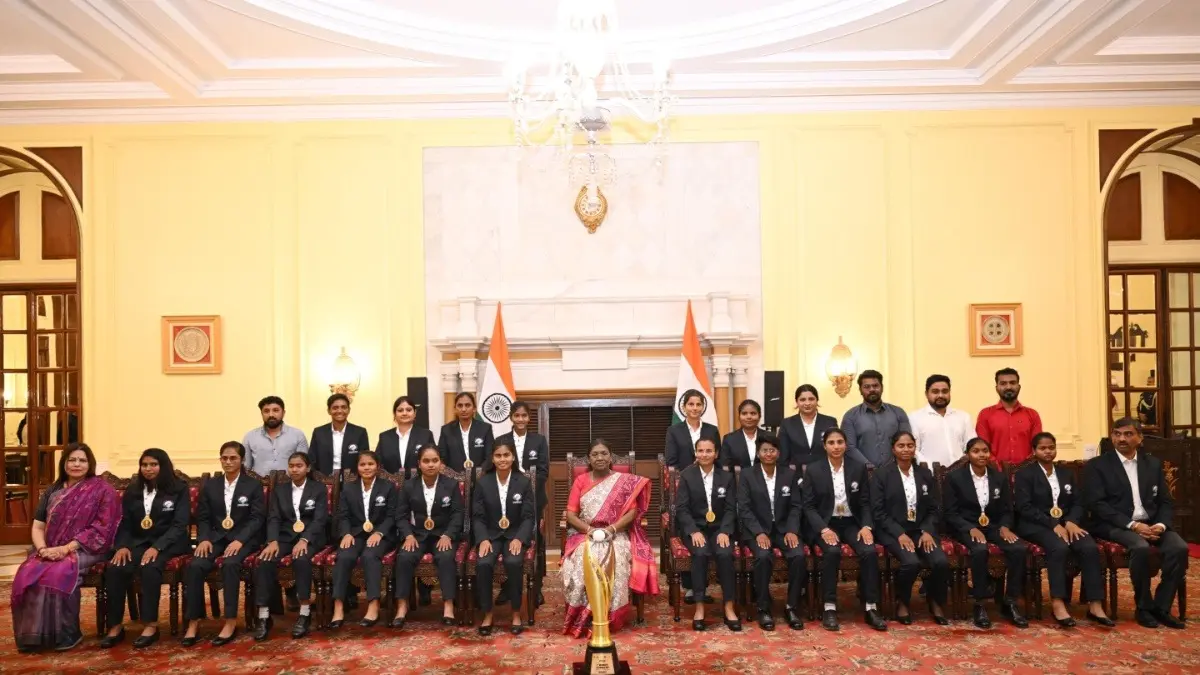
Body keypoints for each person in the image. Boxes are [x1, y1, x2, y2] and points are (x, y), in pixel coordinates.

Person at [12, 443, 120, 653]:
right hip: (51, 548)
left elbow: (102, 528)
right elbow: (38, 526)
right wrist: (43, 550)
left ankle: (67, 634)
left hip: (89, 548)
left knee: (60, 570)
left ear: (90, 464)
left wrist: (66, 548)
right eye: (72, 460)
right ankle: (36, 636)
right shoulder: (52, 490)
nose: (77, 464)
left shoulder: (103, 490)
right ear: (64, 463)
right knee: (28, 572)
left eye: (82, 460)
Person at [1084, 417, 1188, 629]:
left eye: (1128, 434)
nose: (1122, 439)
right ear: (1112, 436)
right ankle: (1143, 606)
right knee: (1139, 548)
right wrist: (1133, 526)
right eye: (1117, 434)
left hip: (1151, 523)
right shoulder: (1098, 465)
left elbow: (1165, 501)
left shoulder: (1152, 464)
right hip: (1115, 524)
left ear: (1140, 438)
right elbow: (1097, 504)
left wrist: (1160, 525)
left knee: (1179, 548)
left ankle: (1162, 607)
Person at [562, 439, 658, 638]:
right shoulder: (581, 481)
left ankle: (610, 615)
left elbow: (632, 513)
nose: (599, 457)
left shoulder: (623, 481)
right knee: (582, 560)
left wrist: (611, 529)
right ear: (589, 458)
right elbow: (571, 515)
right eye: (595, 454)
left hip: (616, 533)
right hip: (585, 534)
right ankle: (585, 615)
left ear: (611, 456)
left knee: (617, 559)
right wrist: (589, 530)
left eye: (604, 453)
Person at [1014, 432, 1110, 628]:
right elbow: (1024, 507)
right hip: (1036, 525)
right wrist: (1053, 524)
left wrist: (1072, 521)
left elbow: (1078, 502)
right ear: (1034, 451)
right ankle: (1058, 602)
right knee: (1059, 547)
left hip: (1067, 524)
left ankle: (1095, 603)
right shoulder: (1025, 475)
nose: (1048, 452)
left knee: (1089, 547)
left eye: (1051, 447)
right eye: (1043, 448)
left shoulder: (1067, 473)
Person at [100, 448, 190, 649]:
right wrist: (122, 546)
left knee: (150, 567)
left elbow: (179, 524)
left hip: (170, 543)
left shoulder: (179, 488)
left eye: (153, 465)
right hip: (139, 543)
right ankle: (115, 626)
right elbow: (124, 522)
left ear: (163, 466)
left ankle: (150, 625)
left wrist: (158, 547)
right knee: (115, 568)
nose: (148, 469)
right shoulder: (133, 490)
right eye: (144, 465)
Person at [801, 428, 886, 632]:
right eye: (831, 442)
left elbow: (865, 502)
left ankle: (870, 606)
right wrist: (823, 529)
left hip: (851, 522)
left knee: (869, 550)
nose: (836, 446)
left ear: (846, 444)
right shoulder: (813, 470)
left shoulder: (858, 468)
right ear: (825, 446)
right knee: (832, 551)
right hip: (826, 523)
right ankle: (829, 607)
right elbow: (808, 506)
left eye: (840, 442)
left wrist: (866, 526)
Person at [181, 441, 266, 646]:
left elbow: (256, 518)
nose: (228, 462)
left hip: (243, 539)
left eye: (233, 458)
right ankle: (194, 621)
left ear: (241, 460)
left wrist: (240, 540)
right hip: (215, 537)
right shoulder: (211, 485)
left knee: (230, 564)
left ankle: (230, 621)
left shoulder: (252, 485)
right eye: (224, 458)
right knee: (195, 566)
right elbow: (203, 517)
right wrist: (203, 539)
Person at [943, 437, 1028, 629]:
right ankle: (979, 603)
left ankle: (1010, 601)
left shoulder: (999, 477)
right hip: (966, 526)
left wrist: (1005, 527)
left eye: (985, 451)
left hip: (994, 526)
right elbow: (950, 513)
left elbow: (1007, 509)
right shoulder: (955, 478)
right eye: (976, 451)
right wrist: (970, 528)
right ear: (967, 454)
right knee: (979, 550)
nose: (981, 455)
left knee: (1018, 549)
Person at [870, 431, 949, 625]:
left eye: (910, 446)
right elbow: (878, 512)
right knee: (910, 562)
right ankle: (902, 601)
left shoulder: (925, 474)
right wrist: (899, 534)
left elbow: (934, 507)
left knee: (940, 561)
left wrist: (927, 530)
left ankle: (934, 599)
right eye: (901, 446)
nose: (906, 450)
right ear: (893, 449)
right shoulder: (882, 475)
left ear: (915, 448)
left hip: (921, 530)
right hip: (893, 531)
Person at [253, 451, 329, 640]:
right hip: (285, 537)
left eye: (299, 466)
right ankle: (263, 615)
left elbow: (320, 519)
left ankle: (304, 612)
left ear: (308, 468)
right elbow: (274, 518)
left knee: (301, 559)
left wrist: (305, 539)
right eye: (291, 466)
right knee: (265, 559)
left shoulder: (318, 489)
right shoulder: (280, 490)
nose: (294, 469)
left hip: (311, 537)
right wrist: (272, 541)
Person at [738, 434, 805, 630]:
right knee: (763, 556)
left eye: (772, 450)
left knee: (798, 555)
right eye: (764, 450)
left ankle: (791, 606)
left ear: (778, 453)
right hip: (757, 530)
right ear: (758, 454)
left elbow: (795, 506)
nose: (768, 453)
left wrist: (792, 530)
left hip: (784, 530)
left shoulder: (788, 475)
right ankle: (763, 607)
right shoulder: (747, 475)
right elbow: (744, 508)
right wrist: (758, 532)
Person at [392, 445, 463, 628]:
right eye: (426, 461)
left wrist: (448, 535)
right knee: (404, 557)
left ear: (441, 463)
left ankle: (448, 606)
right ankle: (402, 606)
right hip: (417, 535)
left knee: (446, 557)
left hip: (443, 534)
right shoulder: (409, 486)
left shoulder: (451, 484)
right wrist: (407, 535)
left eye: (434, 460)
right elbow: (400, 515)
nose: (431, 465)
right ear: (419, 464)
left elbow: (457, 514)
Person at [676, 438, 741, 632]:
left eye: (708, 451)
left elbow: (731, 509)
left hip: (719, 528)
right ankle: (699, 607)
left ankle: (729, 607)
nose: (704, 454)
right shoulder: (687, 475)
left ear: (716, 454)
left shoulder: (726, 477)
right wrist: (693, 530)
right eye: (700, 451)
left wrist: (725, 531)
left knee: (724, 554)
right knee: (701, 553)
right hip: (696, 528)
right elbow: (682, 508)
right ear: (696, 453)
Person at [472, 440, 535, 635]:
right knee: (483, 563)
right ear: (492, 458)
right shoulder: (483, 482)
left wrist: (519, 539)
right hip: (490, 535)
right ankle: (488, 613)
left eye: (506, 455)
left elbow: (528, 516)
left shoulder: (523, 482)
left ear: (513, 457)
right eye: (498, 456)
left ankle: (516, 612)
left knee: (514, 561)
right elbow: (477, 516)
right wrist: (482, 539)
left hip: (515, 534)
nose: (502, 459)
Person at [329, 450, 396, 629]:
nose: (367, 468)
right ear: (357, 468)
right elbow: (342, 515)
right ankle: (338, 606)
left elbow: (391, 516)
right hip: (356, 533)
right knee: (344, 556)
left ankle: (373, 604)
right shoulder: (349, 488)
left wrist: (379, 533)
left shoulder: (388, 487)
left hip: (381, 535)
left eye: (370, 464)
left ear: (378, 466)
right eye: (362, 464)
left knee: (369, 556)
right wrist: (346, 533)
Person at [492, 400, 549, 606]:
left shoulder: (539, 440)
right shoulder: (501, 439)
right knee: (507, 538)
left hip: (533, 499)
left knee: (537, 543)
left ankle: (537, 588)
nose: (521, 419)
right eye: (517, 416)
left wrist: (524, 481)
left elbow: (543, 471)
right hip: (505, 501)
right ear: (511, 417)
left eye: (524, 416)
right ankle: (507, 587)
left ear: (529, 418)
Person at [839, 370, 910, 468]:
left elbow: (906, 443)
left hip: (895, 471)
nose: (872, 389)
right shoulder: (850, 416)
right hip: (863, 474)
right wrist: (869, 467)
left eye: (875, 385)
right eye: (867, 387)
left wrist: (894, 466)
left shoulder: (898, 413)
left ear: (882, 388)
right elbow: (849, 448)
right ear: (860, 390)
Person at [975, 368, 1042, 465]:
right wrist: (997, 467)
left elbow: (1037, 446)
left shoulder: (1032, 414)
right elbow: (983, 447)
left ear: (1019, 387)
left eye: (1012, 383)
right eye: (1003, 383)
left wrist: (1025, 468)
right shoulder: (985, 414)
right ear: (997, 387)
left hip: (1027, 473)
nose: (1008, 387)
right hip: (995, 473)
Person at [909, 375, 972, 470]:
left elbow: (970, 446)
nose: (940, 395)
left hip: (961, 475)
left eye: (945, 391)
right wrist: (931, 468)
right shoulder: (914, 418)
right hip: (929, 475)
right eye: (935, 392)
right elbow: (914, 450)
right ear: (926, 394)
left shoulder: (963, 417)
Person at [308, 393, 370, 478]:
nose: (340, 411)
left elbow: (365, 460)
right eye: (335, 408)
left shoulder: (360, 432)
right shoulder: (319, 433)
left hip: (352, 483)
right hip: (324, 482)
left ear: (349, 410)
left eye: (343, 407)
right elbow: (312, 460)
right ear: (329, 411)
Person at [242, 396, 309, 474]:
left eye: (276, 410)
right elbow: (246, 468)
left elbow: (303, 466)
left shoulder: (297, 435)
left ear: (283, 413)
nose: (271, 415)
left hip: (290, 484)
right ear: (261, 414)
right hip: (259, 485)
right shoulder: (250, 437)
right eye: (266, 411)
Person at [777, 384, 838, 468]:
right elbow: (783, 455)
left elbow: (835, 450)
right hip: (796, 474)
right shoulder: (787, 424)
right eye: (802, 400)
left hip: (824, 472)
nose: (807, 403)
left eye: (811, 399)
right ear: (797, 402)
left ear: (817, 400)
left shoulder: (830, 422)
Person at [377, 395, 436, 474]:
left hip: (418, 484)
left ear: (414, 413)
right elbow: (377, 464)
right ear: (394, 414)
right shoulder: (385, 437)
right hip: (390, 484)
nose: (404, 413)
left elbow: (433, 461)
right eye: (400, 410)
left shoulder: (426, 435)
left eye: (408, 410)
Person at [664, 388, 721, 470]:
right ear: (684, 407)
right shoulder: (673, 431)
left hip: (709, 476)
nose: (695, 408)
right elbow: (671, 462)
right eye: (691, 404)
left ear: (703, 407)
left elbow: (718, 458)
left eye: (698, 404)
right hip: (683, 477)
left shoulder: (712, 430)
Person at [438, 392, 494, 471]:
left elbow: (490, 456)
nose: (463, 409)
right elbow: (442, 458)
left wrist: (480, 472)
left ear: (474, 408)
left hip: (481, 478)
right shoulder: (446, 430)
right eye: (460, 406)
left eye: (467, 405)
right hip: (454, 478)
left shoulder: (485, 428)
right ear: (455, 409)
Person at [720, 399, 769, 470]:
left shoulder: (769, 437)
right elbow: (726, 467)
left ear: (759, 416)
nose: (749, 417)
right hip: (738, 479)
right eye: (744, 413)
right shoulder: (729, 439)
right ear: (739, 417)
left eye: (753, 413)